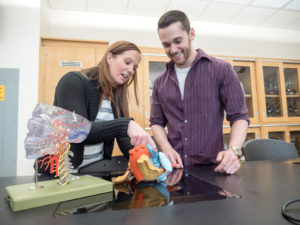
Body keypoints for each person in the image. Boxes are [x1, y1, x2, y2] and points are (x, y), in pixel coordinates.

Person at [150, 10, 249, 174]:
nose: (173, 49)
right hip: (176, 170)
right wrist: (167, 149)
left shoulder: (221, 70)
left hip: (214, 168)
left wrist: (233, 151)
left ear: (191, 33)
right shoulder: (160, 82)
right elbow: (156, 122)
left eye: (178, 41)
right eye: (166, 45)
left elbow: (239, 116)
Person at [38, 40, 155, 174]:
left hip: (95, 172)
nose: (131, 70)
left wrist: (147, 156)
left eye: (134, 67)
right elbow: (78, 131)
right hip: (61, 174)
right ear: (109, 58)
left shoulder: (116, 97)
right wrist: (126, 125)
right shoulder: (73, 81)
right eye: (127, 62)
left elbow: (124, 140)